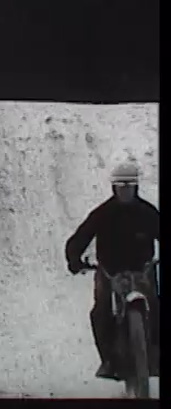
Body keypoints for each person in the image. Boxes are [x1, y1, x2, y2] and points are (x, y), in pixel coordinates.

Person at [65, 160, 160, 380]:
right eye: (121, 186)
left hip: (143, 271)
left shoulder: (148, 213)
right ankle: (108, 360)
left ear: (136, 187)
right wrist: (74, 259)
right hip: (109, 272)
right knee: (101, 311)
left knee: (157, 307)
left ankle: (156, 354)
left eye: (129, 186)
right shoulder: (102, 214)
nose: (125, 191)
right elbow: (80, 238)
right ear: (113, 187)